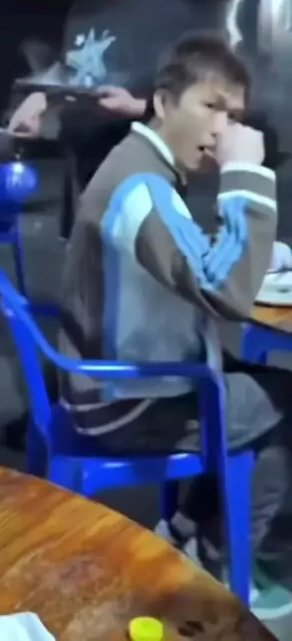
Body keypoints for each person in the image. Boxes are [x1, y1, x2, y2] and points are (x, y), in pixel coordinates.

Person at [59, 32, 292, 618]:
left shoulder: (138, 168)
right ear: (162, 103)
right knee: (284, 402)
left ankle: (187, 526)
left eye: (233, 116)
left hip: (108, 380)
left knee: (255, 385)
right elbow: (229, 293)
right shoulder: (140, 186)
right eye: (210, 106)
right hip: (125, 401)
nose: (221, 128)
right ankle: (220, 559)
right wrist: (246, 173)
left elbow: (188, 257)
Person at [8, 0, 193, 189]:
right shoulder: (82, 11)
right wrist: (41, 100)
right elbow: (72, 76)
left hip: (143, 181)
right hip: (82, 176)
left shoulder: (173, 14)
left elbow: (193, 102)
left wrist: (138, 108)